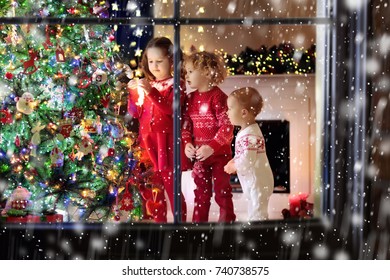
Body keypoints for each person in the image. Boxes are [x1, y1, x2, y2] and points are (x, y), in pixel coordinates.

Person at [127, 37, 187, 223]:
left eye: (159, 61)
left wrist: (151, 93)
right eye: (151, 61)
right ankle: (158, 223)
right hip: (147, 143)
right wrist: (132, 93)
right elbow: (135, 112)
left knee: (171, 186)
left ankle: (180, 225)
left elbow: (170, 110)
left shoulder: (177, 85)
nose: (154, 66)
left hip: (166, 143)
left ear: (172, 61)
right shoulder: (148, 85)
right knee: (153, 187)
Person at [182, 51, 236, 223]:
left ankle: (227, 225)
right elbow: (186, 126)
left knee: (222, 192)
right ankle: (198, 228)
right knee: (201, 195)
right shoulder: (190, 99)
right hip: (200, 157)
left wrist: (212, 146)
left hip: (220, 156)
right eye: (186, 71)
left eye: (190, 71)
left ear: (206, 72)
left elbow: (227, 127)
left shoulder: (219, 98)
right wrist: (187, 144)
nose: (186, 75)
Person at [224, 87, 274, 221]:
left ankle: (259, 235)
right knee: (255, 208)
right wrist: (233, 160)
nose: (227, 112)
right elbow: (243, 154)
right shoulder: (247, 131)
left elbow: (247, 160)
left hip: (258, 182)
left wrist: (234, 167)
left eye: (230, 108)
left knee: (258, 213)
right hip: (255, 181)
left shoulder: (250, 135)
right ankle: (257, 232)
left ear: (244, 112)